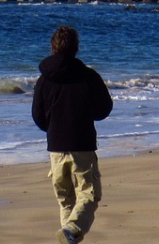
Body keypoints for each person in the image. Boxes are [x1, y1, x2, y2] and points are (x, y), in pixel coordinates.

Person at [32, 25, 113, 244]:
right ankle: (73, 229)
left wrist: (54, 128)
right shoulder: (88, 76)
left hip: (56, 147)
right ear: (76, 48)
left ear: (53, 47)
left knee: (66, 201)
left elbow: (38, 116)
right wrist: (86, 114)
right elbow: (104, 107)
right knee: (89, 196)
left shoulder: (44, 80)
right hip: (82, 144)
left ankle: (69, 234)